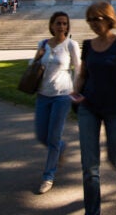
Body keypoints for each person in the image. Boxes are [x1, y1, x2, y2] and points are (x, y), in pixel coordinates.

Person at [71, 1, 116, 215]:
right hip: (88, 107)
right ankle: (93, 211)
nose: (92, 24)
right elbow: (82, 76)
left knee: (114, 157)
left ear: (108, 19)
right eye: (89, 20)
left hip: (115, 108)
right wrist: (73, 95)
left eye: (96, 19)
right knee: (89, 167)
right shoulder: (87, 45)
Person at [33, 11, 81, 194]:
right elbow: (34, 65)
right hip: (43, 94)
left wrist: (77, 90)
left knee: (53, 137)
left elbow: (78, 68)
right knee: (41, 135)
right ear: (51, 25)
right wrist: (37, 57)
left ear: (68, 27)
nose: (61, 26)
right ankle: (61, 147)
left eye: (64, 24)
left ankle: (48, 176)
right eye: (58, 23)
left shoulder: (71, 45)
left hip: (63, 95)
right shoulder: (43, 44)